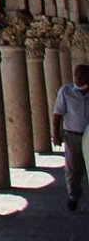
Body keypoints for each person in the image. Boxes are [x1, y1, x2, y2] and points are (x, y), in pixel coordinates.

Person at [53, 64, 88, 212]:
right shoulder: (66, 91)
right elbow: (57, 114)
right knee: (73, 169)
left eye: (81, 76)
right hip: (72, 135)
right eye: (75, 76)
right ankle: (73, 196)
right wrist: (56, 134)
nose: (77, 79)